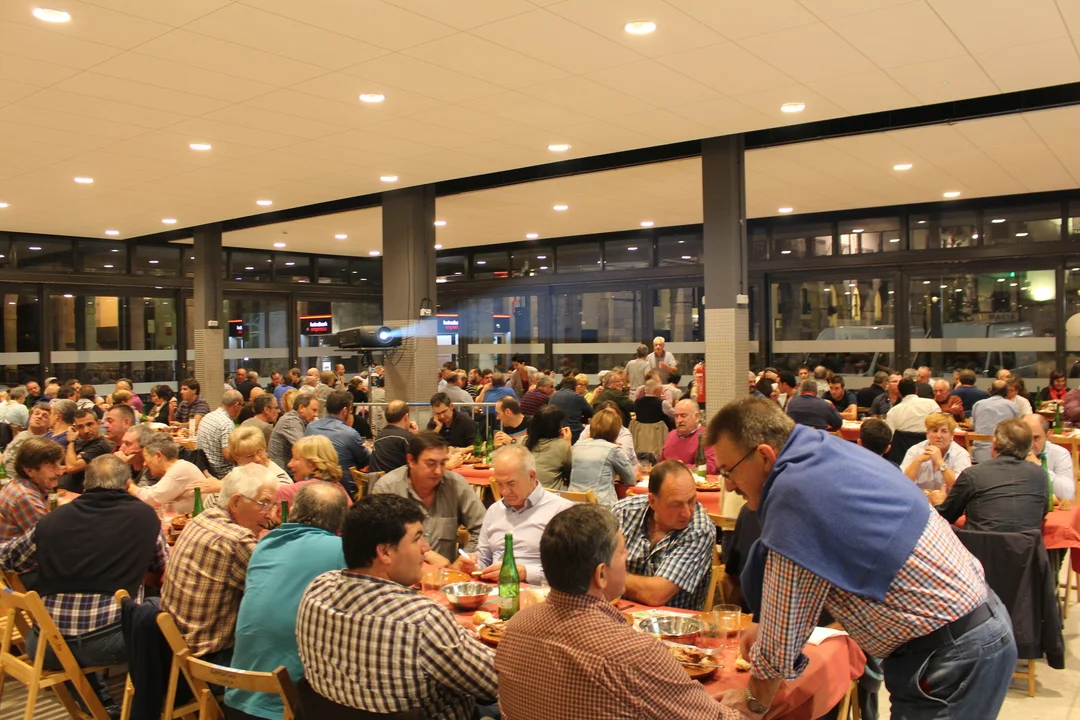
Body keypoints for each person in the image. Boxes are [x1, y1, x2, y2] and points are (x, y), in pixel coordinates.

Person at [708, 396, 1016, 720]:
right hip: (966, 632)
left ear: (764, 456)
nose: (728, 484)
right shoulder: (817, 451)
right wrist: (764, 625)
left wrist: (754, 701)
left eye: (729, 471)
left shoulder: (795, 494)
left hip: (951, 653)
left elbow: (781, 639)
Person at [496, 502, 736, 720]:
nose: (628, 556)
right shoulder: (635, 654)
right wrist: (750, 703)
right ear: (601, 574)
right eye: (622, 552)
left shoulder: (515, 627)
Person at [296, 494, 498, 719]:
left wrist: (453, 632)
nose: (426, 548)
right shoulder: (423, 620)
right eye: (417, 538)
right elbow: (497, 683)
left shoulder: (317, 589)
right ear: (384, 552)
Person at [0, 455, 167, 717]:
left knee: (78, 629)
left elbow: (9, 558)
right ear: (127, 485)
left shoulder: (53, 519)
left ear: (85, 485)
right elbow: (161, 566)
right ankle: (162, 706)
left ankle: (98, 704)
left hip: (46, 646)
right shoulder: (145, 517)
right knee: (162, 613)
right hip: (110, 643)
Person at [227, 483, 348, 720]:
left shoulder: (266, 543)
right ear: (341, 523)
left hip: (237, 693)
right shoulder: (341, 551)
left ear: (292, 511)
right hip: (287, 706)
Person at [161, 464, 279, 663]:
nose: (269, 514)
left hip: (172, 648)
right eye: (264, 503)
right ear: (236, 502)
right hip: (207, 660)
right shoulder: (237, 540)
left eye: (273, 505)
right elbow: (276, 596)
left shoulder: (201, 519)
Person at [456, 445, 574, 583]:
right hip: (495, 588)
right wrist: (474, 565)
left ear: (531, 476)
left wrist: (526, 573)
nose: (504, 492)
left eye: (511, 483)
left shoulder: (561, 511)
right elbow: (483, 558)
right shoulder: (494, 510)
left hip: (538, 590)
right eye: (499, 484)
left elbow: (570, 570)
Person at [369, 432, 485, 565]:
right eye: (431, 464)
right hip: (400, 573)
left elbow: (483, 529)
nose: (438, 471)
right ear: (411, 461)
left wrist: (463, 559)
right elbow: (374, 539)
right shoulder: (387, 488)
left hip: (446, 573)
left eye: (443, 463)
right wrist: (426, 555)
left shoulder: (456, 485)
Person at [612, 460, 713, 610]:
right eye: (676, 505)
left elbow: (656, 594)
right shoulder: (623, 512)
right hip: (616, 614)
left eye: (691, 501)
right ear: (652, 501)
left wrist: (609, 576)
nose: (687, 513)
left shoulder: (699, 529)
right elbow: (591, 561)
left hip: (673, 621)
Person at [934, 418, 1050, 532]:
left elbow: (946, 516)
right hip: (1025, 544)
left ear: (995, 444)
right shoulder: (1040, 475)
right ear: (1028, 448)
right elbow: (1041, 514)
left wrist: (939, 502)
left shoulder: (972, 474)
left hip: (978, 544)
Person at [305, 390, 370, 497]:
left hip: (313, 486)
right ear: (345, 410)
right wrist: (368, 450)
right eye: (350, 410)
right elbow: (364, 460)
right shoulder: (350, 433)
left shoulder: (310, 427)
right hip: (345, 490)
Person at [0, 437, 63, 542]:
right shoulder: (25, 497)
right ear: (29, 471)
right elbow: (53, 538)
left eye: (59, 464)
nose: (60, 472)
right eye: (51, 466)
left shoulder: (20, 484)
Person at [568, 408, 635, 507]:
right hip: (600, 506)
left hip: (572, 504)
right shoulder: (614, 450)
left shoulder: (576, 447)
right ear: (615, 431)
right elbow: (631, 479)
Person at [135, 433, 206, 514]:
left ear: (158, 456)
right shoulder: (179, 467)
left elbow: (151, 499)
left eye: (145, 457)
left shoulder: (180, 469)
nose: (144, 464)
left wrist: (129, 485)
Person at [901, 413, 972, 491]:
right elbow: (903, 483)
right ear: (927, 434)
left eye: (944, 431)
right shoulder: (915, 450)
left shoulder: (961, 454)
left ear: (952, 435)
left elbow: (961, 486)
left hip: (948, 498)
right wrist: (917, 461)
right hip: (919, 496)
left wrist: (940, 462)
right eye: (935, 431)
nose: (939, 436)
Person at [277, 435, 353, 506]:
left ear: (313, 464)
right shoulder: (341, 492)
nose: (289, 464)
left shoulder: (286, 492)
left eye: (296, 459)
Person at [1021, 413, 1075, 501]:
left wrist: (1039, 465)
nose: (1030, 444)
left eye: (1036, 438)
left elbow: (1067, 495)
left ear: (1047, 436)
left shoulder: (1060, 454)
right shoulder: (1011, 451)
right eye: (1026, 438)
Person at [59, 408, 113, 493]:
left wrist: (71, 441)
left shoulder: (101, 446)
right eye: (80, 427)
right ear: (76, 429)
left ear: (99, 423)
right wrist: (69, 463)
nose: (86, 431)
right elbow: (60, 464)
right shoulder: (79, 442)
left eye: (89, 424)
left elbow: (71, 467)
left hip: (80, 495)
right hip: (61, 491)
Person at [196, 390, 245, 479]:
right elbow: (228, 454)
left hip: (204, 470)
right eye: (242, 406)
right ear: (237, 405)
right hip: (222, 474)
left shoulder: (208, 416)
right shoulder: (226, 423)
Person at [523, 404, 573, 491]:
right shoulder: (562, 446)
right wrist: (568, 443)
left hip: (526, 492)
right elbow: (572, 471)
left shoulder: (523, 441)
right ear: (556, 427)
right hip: (552, 494)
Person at [658, 399, 716, 471]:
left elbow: (710, 466)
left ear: (697, 417)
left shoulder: (707, 436)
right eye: (676, 416)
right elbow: (661, 463)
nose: (679, 420)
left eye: (683, 416)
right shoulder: (671, 435)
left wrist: (681, 468)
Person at [970, 380, 1021, 463]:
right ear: (1006, 392)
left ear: (990, 391)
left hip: (979, 455)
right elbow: (1017, 428)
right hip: (1004, 454)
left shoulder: (978, 404)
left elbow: (973, 426)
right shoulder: (1012, 406)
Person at [268, 392, 318, 471]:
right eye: (314, 410)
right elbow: (304, 448)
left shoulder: (300, 420)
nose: (316, 415)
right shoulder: (290, 421)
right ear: (301, 408)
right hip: (282, 471)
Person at [3, 403, 51, 478]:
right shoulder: (22, 434)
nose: (39, 417)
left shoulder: (45, 440)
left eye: (45, 416)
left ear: (50, 423)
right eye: (36, 414)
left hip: (16, 479)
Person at [370, 400, 415, 473]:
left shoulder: (379, 436)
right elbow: (418, 462)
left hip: (377, 479)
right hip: (396, 479)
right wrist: (416, 436)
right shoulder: (406, 437)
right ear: (406, 417)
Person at [548, 376, 593, 443]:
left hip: (554, 431)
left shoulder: (553, 396)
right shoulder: (577, 397)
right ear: (575, 386)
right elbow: (591, 413)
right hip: (573, 433)